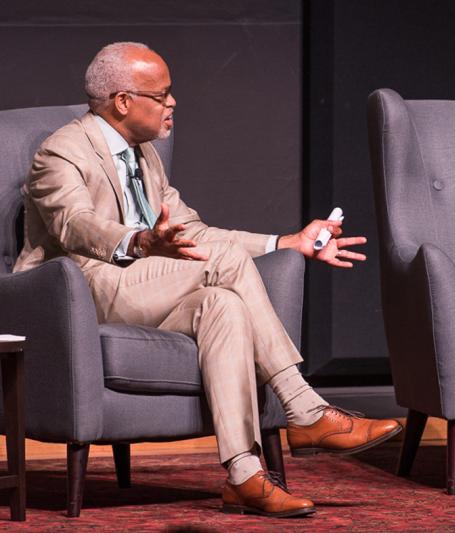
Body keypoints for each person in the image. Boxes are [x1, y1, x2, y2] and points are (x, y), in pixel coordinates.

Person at [14, 41, 401, 518]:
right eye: (162, 95)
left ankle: (244, 475)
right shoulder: (62, 151)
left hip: (142, 288)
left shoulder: (144, 156)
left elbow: (194, 233)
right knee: (226, 265)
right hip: (78, 291)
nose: (173, 103)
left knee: (224, 305)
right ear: (123, 101)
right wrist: (140, 241)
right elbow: (74, 225)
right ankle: (304, 408)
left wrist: (287, 242)